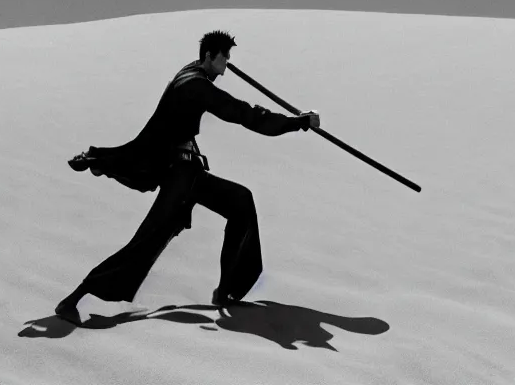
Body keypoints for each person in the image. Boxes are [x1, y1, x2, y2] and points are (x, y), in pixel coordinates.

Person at [54, 30, 320, 325]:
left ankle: (226, 291)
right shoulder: (196, 85)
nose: (228, 63)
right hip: (181, 178)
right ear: (209, 56)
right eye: (224, 57)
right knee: (144, 244)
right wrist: (299, 123)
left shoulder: (191, 75)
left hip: (189, 174)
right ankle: (72, 300)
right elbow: (244, 114)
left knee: (241, 202)